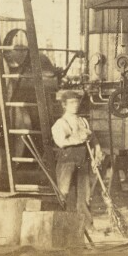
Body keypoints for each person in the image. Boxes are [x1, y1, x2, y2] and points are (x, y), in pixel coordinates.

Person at [51, 89, 103, 229]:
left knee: (84, 195)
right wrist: (80, 137)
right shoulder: (60, 123)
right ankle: (63, 226)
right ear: (64, 105)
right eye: (72, 103)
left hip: (83, 160)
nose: (75, 105)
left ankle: (87, 226)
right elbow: (61, 142)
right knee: (65, 193)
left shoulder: (83, 121)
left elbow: (93, 139)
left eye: (77, 102)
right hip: (67, 161)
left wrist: (97, 151)